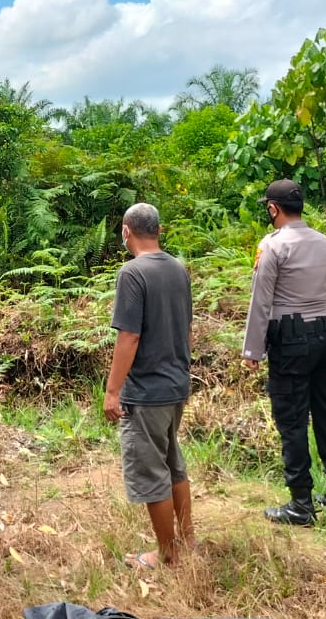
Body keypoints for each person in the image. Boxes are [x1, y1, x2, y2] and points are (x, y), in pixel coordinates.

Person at [242, 179, 326, 527]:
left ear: (273, 208)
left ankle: (301, 504)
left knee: (291, 421)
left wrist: (252, 349)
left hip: (290, 343)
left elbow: (261, 301)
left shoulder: (273, 247)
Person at [103, 202, 194, 569]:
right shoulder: (178, 269)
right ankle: (188, 542)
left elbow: (130, 337)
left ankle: (167, 555)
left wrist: (113, 390)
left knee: (152, 471)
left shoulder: (132, 273)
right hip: (176, 385)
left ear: (127, 231)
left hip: (147, 392)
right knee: (173, 464)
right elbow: (187, 329)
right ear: (158, 229)